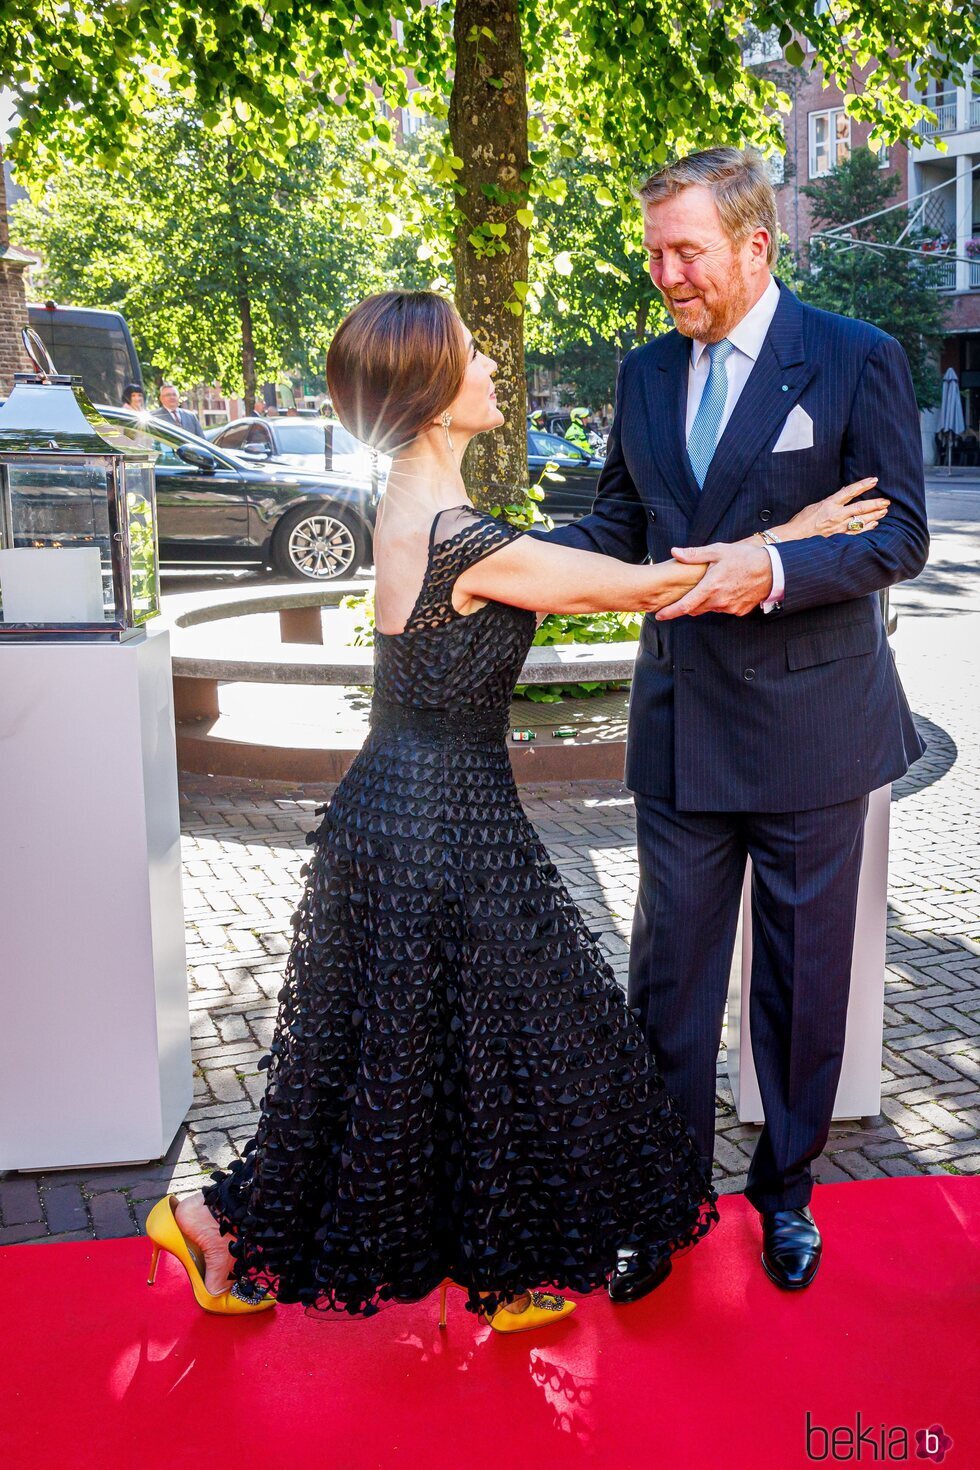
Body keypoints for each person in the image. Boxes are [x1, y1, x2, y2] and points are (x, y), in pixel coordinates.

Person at [146, 290, 889, 1328]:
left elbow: (584, 563)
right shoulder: (462, 538)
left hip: (415, 816)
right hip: (435, 828)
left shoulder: (420, 507)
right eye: (472, 355)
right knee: (490, 1047)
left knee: (432, 1055)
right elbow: (643, 588)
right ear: (437, 399)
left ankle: (488, 1260)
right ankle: (233, 1222)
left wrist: (770, 546)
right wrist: (794, 534)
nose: (492, 365)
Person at [539, 147, 928, 1300]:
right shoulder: (644, 372)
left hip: (814, 725)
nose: (664, 273)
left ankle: (786, 1190)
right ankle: (659, 1198)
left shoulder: (856, 358)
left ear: (754, 248)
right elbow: (618, 520)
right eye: (652, 251)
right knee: (668, 979)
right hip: (681, 723)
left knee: (802, 983)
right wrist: (497, 557)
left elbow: (898, 536)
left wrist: (770, 560)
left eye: (685, 251)